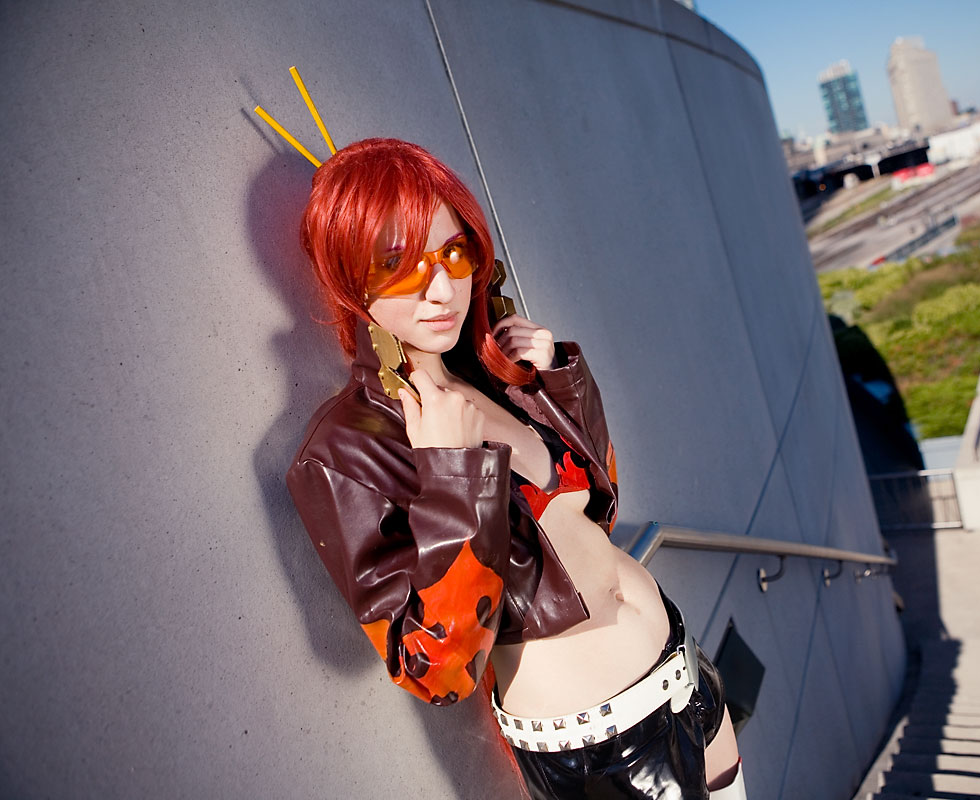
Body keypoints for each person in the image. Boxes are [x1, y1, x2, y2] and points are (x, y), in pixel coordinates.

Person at [285, 138, 745, 799]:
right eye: (397, 265)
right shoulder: (345, 449)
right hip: (604, 745)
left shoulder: (489, 373)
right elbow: (435, 670)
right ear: (351, 281)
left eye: (452, 253)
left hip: (684, 670)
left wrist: (554, 378)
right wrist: (451, 476)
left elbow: (599, 508)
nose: (441, 289)